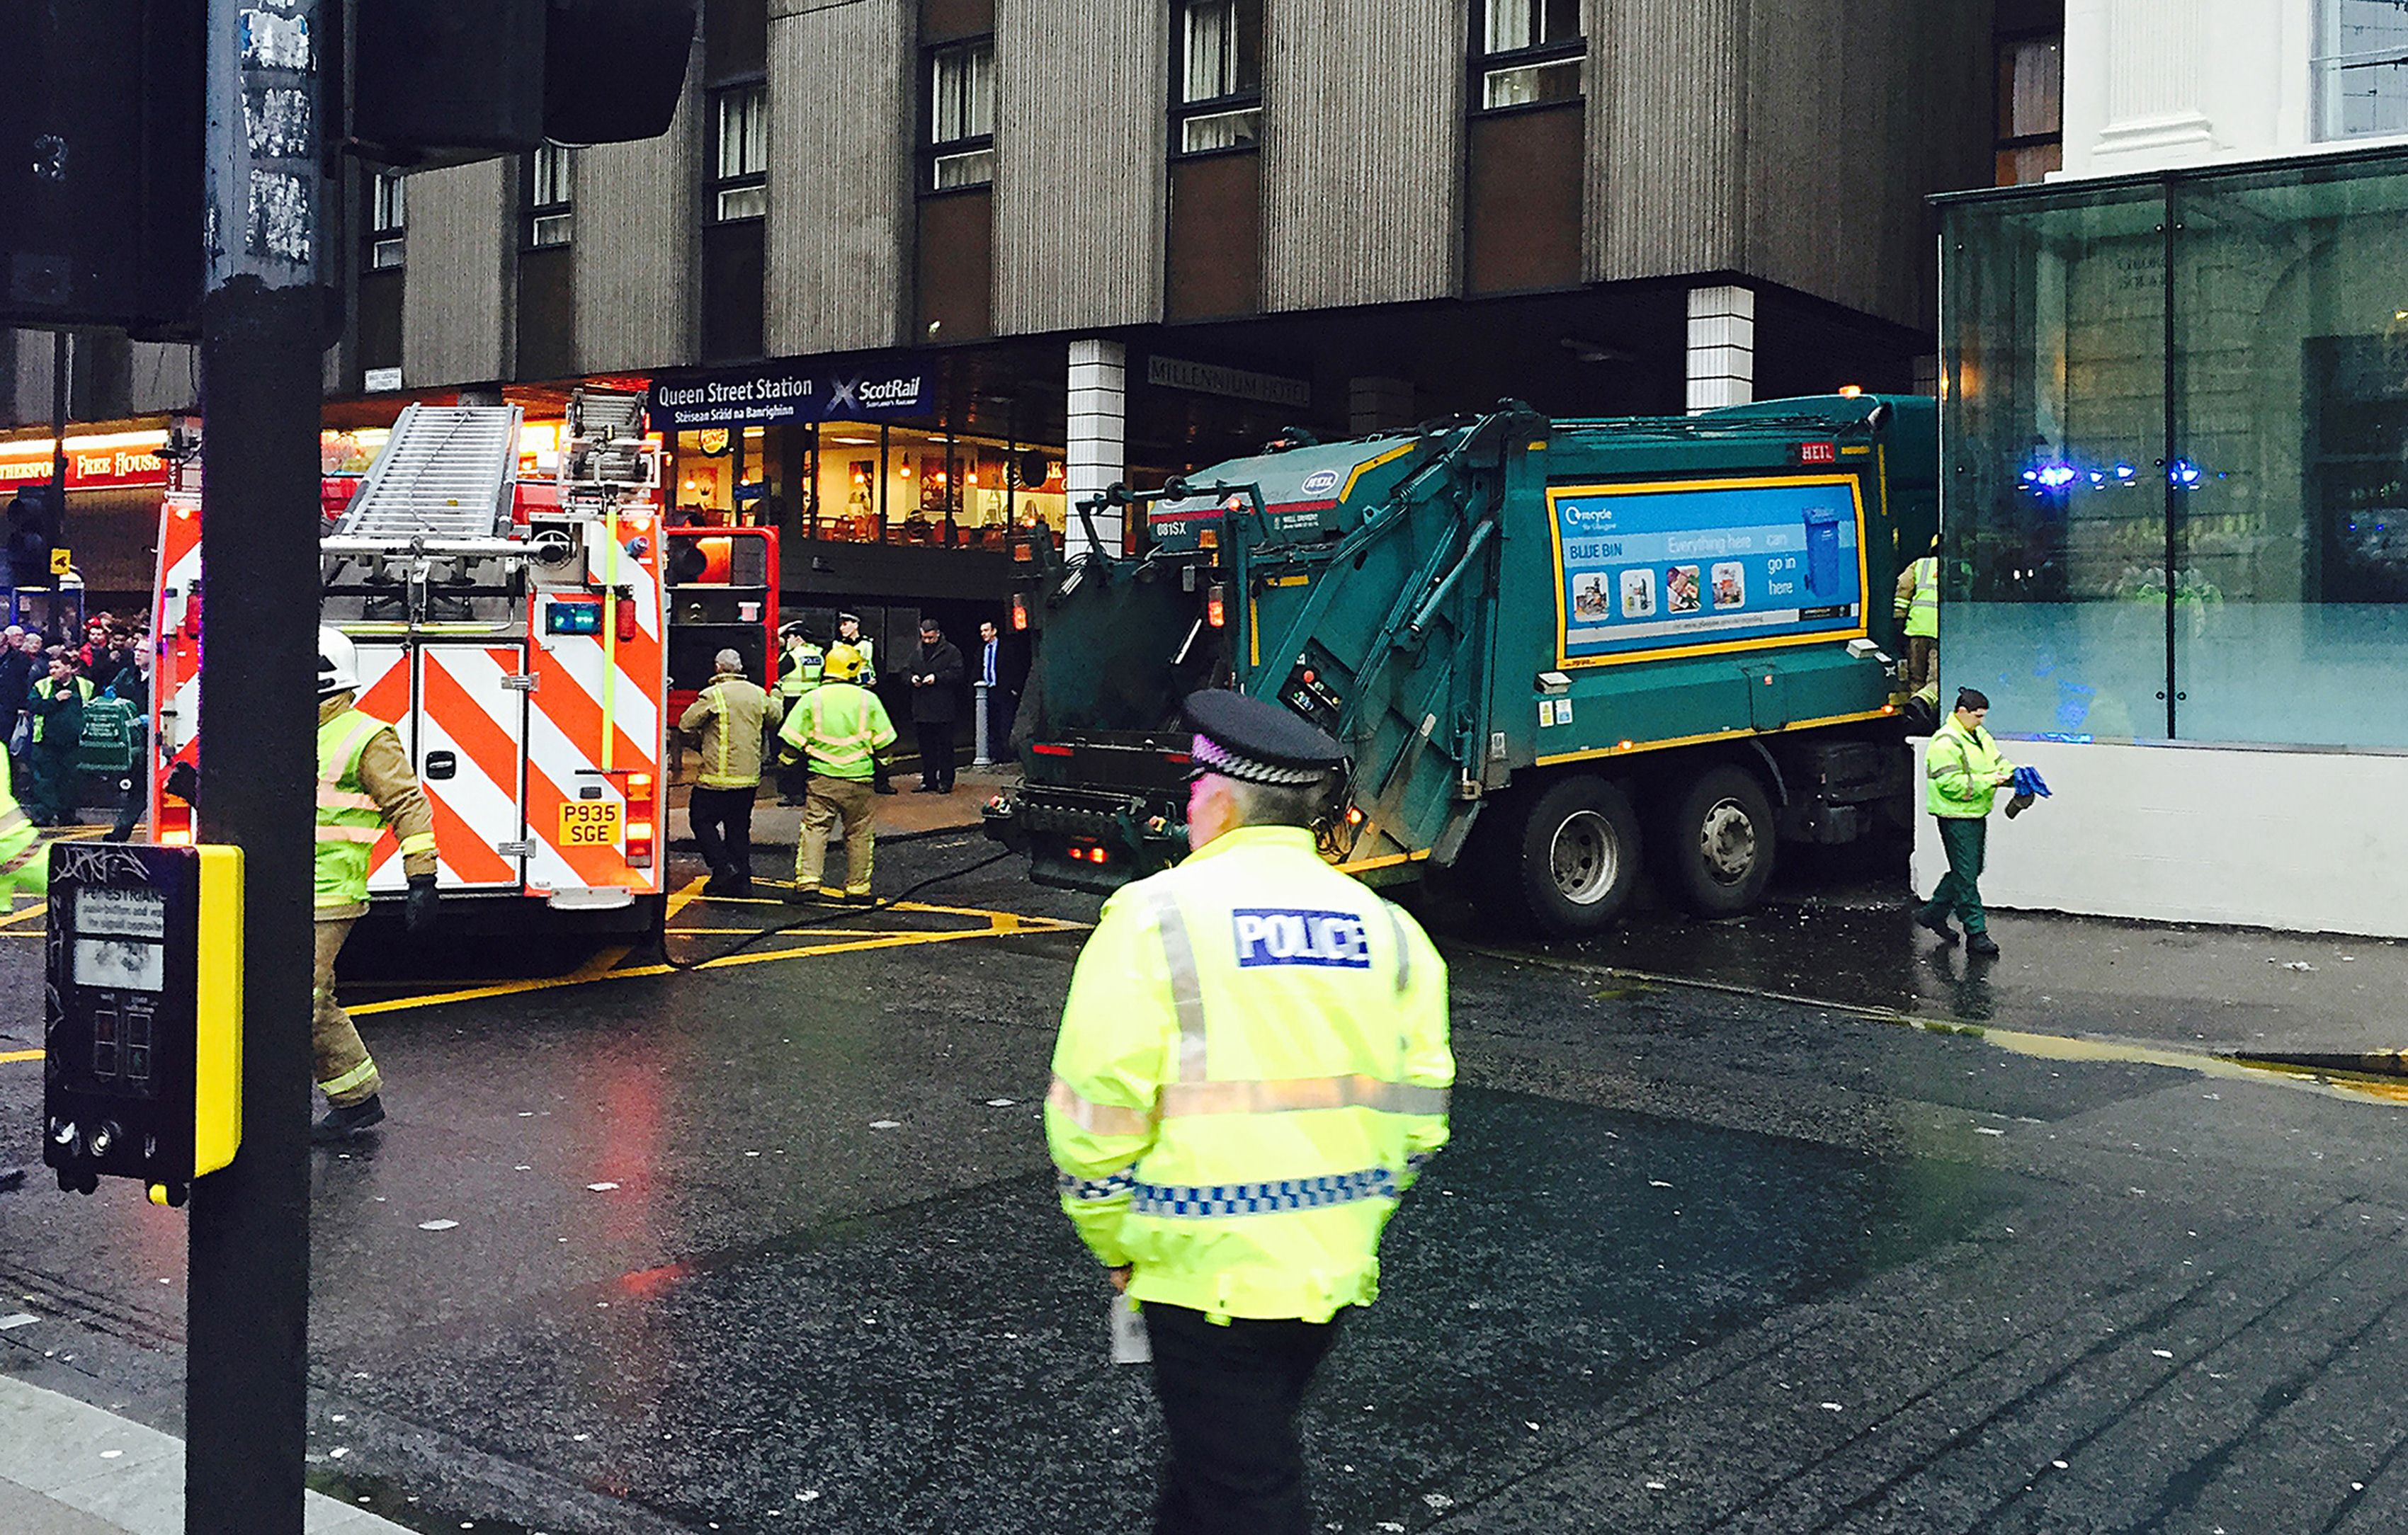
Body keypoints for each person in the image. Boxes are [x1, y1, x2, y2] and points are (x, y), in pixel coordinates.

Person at [1047, 690, 1453, 1535]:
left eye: (1194, 788)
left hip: (1200, 1276)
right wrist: (1355, 1214)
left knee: (1245, 1490)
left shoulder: (1151, 920)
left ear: (1221, 799)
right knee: (1219, 1467)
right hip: (1330, 1270)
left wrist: (1113, 1243)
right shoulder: (1392, 931)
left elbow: (1095, 1114)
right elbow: (1420, 1114)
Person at [312, 627, 440, 1141]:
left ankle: (352, 1101)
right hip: (277, 887)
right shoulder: (283, 730)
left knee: (304, 999)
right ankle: (349, 1098)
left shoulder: (367, 735)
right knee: (282, 997)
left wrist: (422, 878)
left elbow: (407, 804)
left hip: (329, 893)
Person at [777, 643, 897, 903]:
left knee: (815, 830)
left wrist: (785, 765)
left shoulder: (812, 698)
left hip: (822, 779)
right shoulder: (869, 700)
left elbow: (791, 742)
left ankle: (808, 884)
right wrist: (885, 767)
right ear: (853, 669)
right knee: (859, 834)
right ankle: (857, 890)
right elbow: (885, 744)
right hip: (860, 780)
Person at [1915, 687, 2016, 959]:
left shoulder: (1977, 735)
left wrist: (2012, 775)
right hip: (1954, 815)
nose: (1982, 721)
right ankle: (1976, 933)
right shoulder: (1945, 742)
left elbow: (1996, 761)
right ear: (1962, 712)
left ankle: (1933, 913)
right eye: (1978, 716)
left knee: (1969, 869)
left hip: (1973, 813)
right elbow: (1949, 784)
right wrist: (1991, 781)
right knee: (1967, 874)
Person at [678, 648, 770, 897]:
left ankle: (722, 867)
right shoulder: (758, 694)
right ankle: (742, 883)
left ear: (718, 667)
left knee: (701, 820)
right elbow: (775, 717)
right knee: (738, 830)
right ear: (739, 669)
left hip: (715, 778)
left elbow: (686, 723)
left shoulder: (712, 695)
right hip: (748, 778)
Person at [25, 654, 92, 826]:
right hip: (47, 741)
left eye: (57, 667)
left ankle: (67, 815)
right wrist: (55, 700)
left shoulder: (85, 686)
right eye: (51, 668)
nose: (52, 671)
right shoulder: (42, 686)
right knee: (44, 780)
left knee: (70, 781)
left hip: (74, 743)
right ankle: (43, 815)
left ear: (69, 668)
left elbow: (94, 707)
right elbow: (33, 706)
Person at [835, 612, 895, 796]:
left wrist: (877, 682)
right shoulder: (837, 646)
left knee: (873, 738)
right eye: (841, 625)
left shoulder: (868, 645)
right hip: (845, 695)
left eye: (846, 624)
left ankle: (881, 781)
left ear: (856, 625)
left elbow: (880, 669)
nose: (842, 628)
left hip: (866, 694)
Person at [907, 617, 964, 794]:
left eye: (931, 638)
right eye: (924, 638)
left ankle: (946, 781)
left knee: (945, 747)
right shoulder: (916, 652)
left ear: (938, 634)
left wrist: (937, 678)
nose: (927, 641)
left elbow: (958, 673)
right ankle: (928, 780)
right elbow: (906, 669)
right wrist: (912, 678)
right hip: (922, 707)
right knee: (926, 747)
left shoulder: (951, 651)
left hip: (942, 707)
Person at [771, 622, 824, 806]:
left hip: (791, 705)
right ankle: (805, 790)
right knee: (806, 750)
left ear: (798, 639)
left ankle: (791, 793)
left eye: (789, 637)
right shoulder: (818, 655)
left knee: (788, 750)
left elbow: (773, 674)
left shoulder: (793, 656)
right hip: (812, 705)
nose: (786, 640)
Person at [1893, 535, 1941, 709]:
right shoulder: (1962, 567)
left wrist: (1899, 618)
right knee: (1937, 680)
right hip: (1943, 632)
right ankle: (1926, 710)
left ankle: (1915, 715)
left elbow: (1903, 590)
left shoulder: (1920, 565)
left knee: (1917, 679)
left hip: (1917, 629)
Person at [975, 618, 1022, 762]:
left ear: (994, 631)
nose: (983, 634)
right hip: (987, 690)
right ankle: (996, 755)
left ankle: (1007, 754)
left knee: (1005, 723)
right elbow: (978, 669)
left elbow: (1015, 668)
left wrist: (1013, 688)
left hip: (1003, 690)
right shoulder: (981, 649)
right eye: (982, 631)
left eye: (986, 630)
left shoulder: (1007, 648)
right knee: (991, 724)